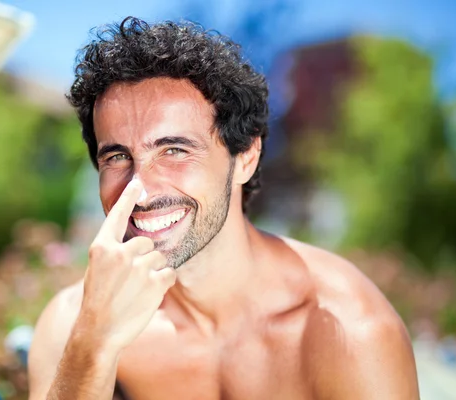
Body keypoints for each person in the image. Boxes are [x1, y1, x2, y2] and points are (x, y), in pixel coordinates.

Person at [27, 17, 419, 400]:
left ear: (245, 157)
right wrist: (94, 345)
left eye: (174, 150)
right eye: (116, 157)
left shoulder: (348, 330)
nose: (140, 191)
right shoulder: (75, 324)